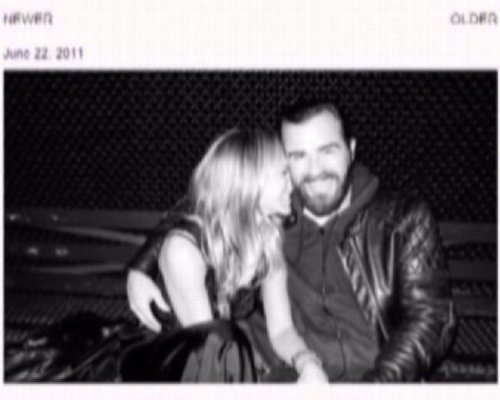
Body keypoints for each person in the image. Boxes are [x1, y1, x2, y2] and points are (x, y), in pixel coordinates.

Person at [126, 99, 456, 382]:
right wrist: (141, 266)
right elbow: (213, 201)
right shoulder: (278, 212)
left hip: (374, 376)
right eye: (297, 157)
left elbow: (431, 318)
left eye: (327, 151)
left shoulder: (402, 218)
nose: (314, 170)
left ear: (351, 150)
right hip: (271, 371)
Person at [122, 127, 328, 383]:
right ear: (250, 182)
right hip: (164, 361)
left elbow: (282, 330)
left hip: (218, 357)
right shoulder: (184, 251)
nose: (292, 184)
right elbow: (211, 351)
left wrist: (308, 363)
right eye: (283, 174)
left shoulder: (268, 234)